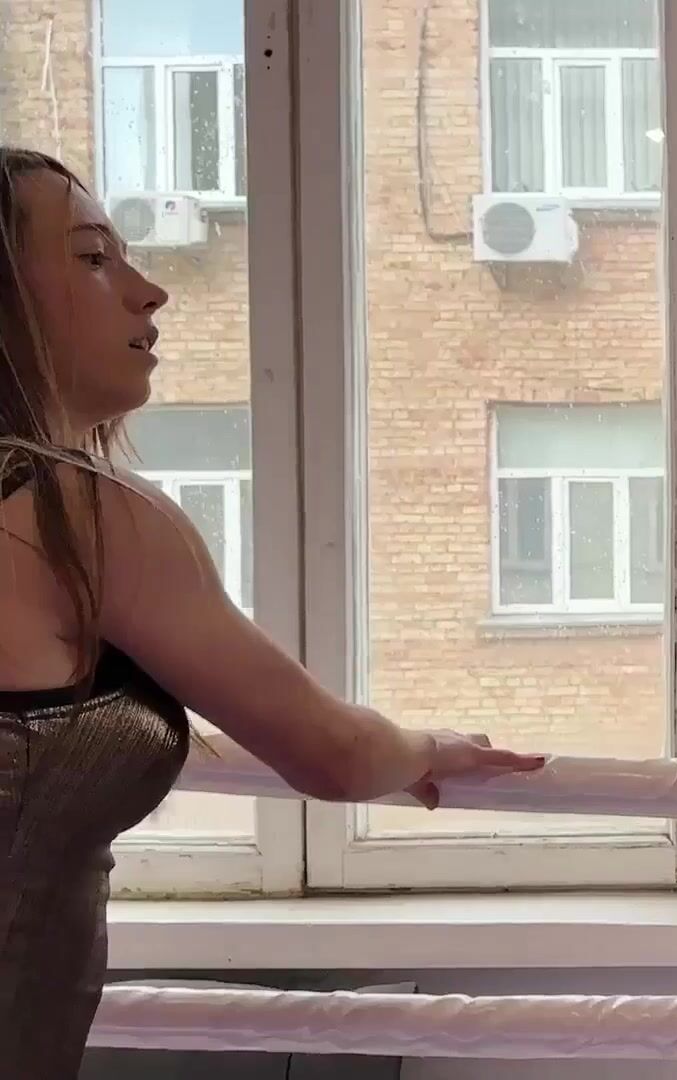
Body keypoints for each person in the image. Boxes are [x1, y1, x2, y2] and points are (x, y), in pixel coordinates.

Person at [0, 146, 548, 1077]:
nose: (148, 292)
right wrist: (421, 747)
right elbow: (331, 751)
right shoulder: (73, 512)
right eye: (94, 257)